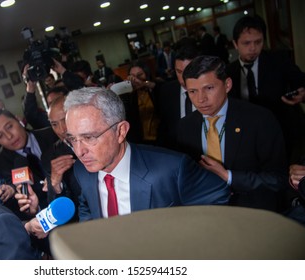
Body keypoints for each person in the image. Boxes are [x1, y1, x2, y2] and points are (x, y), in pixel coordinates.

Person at [63, 87, 230, 221]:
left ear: (121, 131)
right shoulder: (81, 170)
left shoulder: (172, 169)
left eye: (89, 137)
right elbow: (88, 208)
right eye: (72, 139)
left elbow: (218, 197)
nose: (79, 151)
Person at [177, 55, 288, 212]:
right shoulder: (185, 126)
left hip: (253, 212)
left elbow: (278, 179)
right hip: (205, 213)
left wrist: (228, 176)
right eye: (192, 91)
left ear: (227, 84)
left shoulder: (260, 119)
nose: (200, 99)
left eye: (209, 88)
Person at [226, 15, 305, 163]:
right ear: (235, 44)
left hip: (284, 132)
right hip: (248, 138)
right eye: (246, 43)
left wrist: (302, 94)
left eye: (258, 42)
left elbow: (302, 82)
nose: (253, 48)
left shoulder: (279, 61)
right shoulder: (228, 72)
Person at [0, 108, 58, 256]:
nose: (9, 136)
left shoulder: (51, 134)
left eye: (9, 126)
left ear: (18, 120)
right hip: (49, 235)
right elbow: (19, 215)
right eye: (0, 136)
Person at [16, 96, 81, 223]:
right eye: (54, 124)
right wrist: (56, 185)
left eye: (65, 119)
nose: (62, 130)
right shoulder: (50, 157)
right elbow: (57, 213)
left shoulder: (103, 137)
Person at [157, 43, 199, 150]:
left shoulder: (210, 90)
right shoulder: (167, 91)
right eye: (179, 72)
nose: (183, 78)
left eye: (189, 71)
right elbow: (164, 128)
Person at [126, 61, 161, 144]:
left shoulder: (155, 87)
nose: (135, 79)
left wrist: (143, 83)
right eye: (132, 76)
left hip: (160, 137)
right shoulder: (130, 95)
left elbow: (157, 87)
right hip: (141, 141)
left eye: (139, 75)